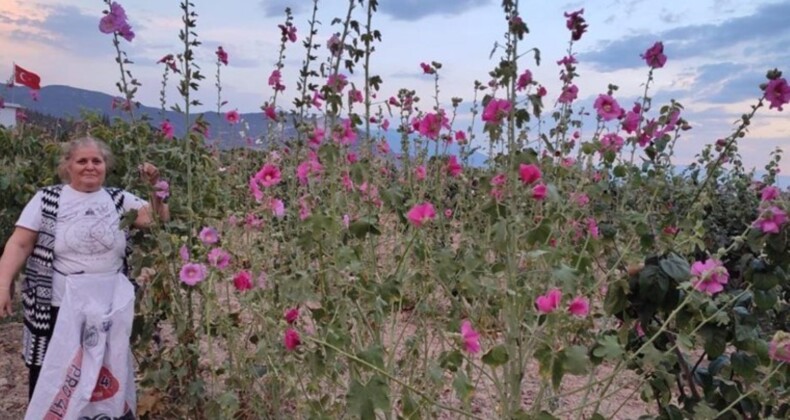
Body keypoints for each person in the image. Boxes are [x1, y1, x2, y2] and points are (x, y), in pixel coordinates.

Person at [0, 135, 169, 401]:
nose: (90, 166)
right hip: (58, 306)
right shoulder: (47, 199)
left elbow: (156, 220)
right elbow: (20, 244)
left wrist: (156, 188)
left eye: (96, 161)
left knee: (104, 370)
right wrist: (3, 285)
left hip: (107, 305)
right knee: (55, 372)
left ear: (105, 166)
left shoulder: (118, 199)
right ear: (68, 166)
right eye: (82, 161)